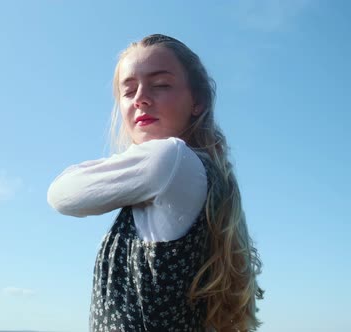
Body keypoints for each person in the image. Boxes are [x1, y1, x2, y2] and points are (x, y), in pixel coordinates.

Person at [47, 34, 263, 332]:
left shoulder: (170, 159)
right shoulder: (208, 172)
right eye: (128, 91)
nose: (140, 99)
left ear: (197, 102)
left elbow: (60, 194)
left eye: (160, 85)